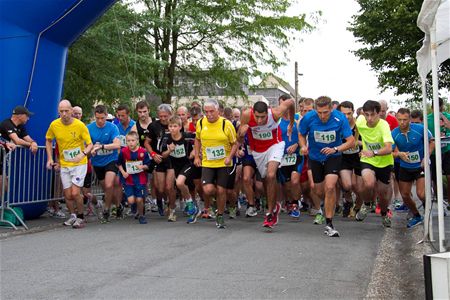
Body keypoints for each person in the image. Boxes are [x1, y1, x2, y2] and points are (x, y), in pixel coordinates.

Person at [299, 96, 354, 237]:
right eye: (319, 112)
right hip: (315, 157)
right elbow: (301, 134)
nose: (322, 116)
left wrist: (335, 149)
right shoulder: (309, 117)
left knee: (330, 187)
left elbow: (351, 141)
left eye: (325, 112)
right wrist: (303, 146)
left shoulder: (340, 118)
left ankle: (329, 224)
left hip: (333, 157)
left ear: (331, 109)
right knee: (318, 190)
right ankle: (328, 204)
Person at [238, 98, 295, 229]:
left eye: (262, 117)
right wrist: (242, 132)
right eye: (257, 117)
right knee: (265, 180)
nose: (259, 121)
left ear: (267, 112)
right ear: (253, 112)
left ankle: (271, 212)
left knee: (270, 175)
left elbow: (291, 102)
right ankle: (274, 203)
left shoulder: (275, 113)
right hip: (257, 151)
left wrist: (291, 123)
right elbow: (239, 138)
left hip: (275, 145)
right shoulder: (247, 115)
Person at [45, 100, 93, 229]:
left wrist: (82, 154)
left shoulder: (80, 125)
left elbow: (90, 145)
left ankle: (81, 217)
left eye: (67, 111)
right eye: (61, 111)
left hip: (79, 164)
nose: (64, 114)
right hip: (65, 164)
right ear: (58, 112)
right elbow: (48, 140)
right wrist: (50, 158)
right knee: (67, 194)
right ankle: (72, 215)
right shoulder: (54, 125)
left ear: (71, 111)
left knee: (75, 193)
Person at [194, 99, 238, 229]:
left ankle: (219, 215)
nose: (209, 114)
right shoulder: (201, 123)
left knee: (221, 190)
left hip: (223, 163)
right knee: (207, 189)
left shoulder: (226, 124)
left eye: (212, 111)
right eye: (206, 112)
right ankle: (214, 202)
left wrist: (229, 157)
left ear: (218, 111)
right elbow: (197, 140)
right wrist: (197, 156)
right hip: (208, 162)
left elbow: (234, 144)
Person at [392, 108, 434, 228]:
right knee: (404, 195)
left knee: (421, 194)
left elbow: (432, 142)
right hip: (405, 166)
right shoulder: (394, 133)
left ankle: (427, 210)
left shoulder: (420, 129)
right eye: (399, 119)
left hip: (420, 165)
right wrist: (399, 154)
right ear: (396, 118)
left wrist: (426, 157)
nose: (402, 122)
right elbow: (390, 152)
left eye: (405, 120)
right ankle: (416, 215)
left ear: (410, 119)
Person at [355, 100, 394, 227]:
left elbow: (389, 148)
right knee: (368, 183)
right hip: (368, 160)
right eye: (367, 114)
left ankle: (384, 213)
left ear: (379, 114)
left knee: (383, 194)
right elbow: (356, 129)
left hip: (384, 162)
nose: (369, 118)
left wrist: (374, 152)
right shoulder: (360, 120)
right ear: (363, 113)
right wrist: (356, 141)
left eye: (373, 115)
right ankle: (366, 204)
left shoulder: (384, 126)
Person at [88, 105, 121, 223]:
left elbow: (117, 145)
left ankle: (106, 210)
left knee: (108, 185)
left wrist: (102, 146)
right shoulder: (89, 128)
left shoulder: (112, 127)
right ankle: (118, 206)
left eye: (102, 118)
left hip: (111, 160)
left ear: (106, 116)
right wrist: (90, 150)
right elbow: (87, 145)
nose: (100, 121)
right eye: (97, 118)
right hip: (97, 163)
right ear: (94, 117)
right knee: (107, 189)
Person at [161, 116, 198, 223]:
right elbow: (163, 155)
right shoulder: (166, 138)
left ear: (180, 127)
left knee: (180, 183)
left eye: (175, 126)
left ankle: (190, 205)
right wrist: (169, 150)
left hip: (187, 164)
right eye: (170, 126)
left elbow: (199, 139)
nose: (172, 128)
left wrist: (194, 151)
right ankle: (192, 206)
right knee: (181, 185)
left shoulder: (187, 136)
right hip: (175, 165)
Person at [277, 95, 303, 219]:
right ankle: (290, 201)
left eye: (286, 105)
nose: (284, 108)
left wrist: (297, 144)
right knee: (287, 185)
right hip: (283, 157)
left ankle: (295, 204)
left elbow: (305, 136)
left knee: (294, 180)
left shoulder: (298, 119)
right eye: (282, 105)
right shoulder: (277, 121)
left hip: (297, 155)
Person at [145, 104, 174, 218]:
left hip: (172, 159)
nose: (163, 118)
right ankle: (159, 201)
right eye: (160, 116)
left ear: (170, 114)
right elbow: (146, 142)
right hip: (158, 158)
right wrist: (152, 154)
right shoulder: (153, 126)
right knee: (160, 188)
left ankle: (171, 208)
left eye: (165, 116)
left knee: (169, 186)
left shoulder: (175, 124)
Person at [337, 101, 364, 218]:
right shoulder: (338, 125)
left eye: (349, 113)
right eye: (343, 114)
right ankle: (348, 200)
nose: (347, 117)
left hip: (359, 157)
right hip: (345, 157)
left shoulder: (360, 126)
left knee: (358, 187)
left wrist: (357, 142)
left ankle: (358, 207)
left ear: (353, 112)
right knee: (347, 185)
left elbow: (368, 142)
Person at [117, 131, 151, 224]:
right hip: (128, 180)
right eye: (128, 141)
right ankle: (134, 207)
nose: (130, 142)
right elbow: (118, 163)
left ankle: (141, 215)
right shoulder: (123, 152)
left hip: (140, 180)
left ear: (137, 141)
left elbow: (148, 165)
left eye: (132, 140)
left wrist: (143, 167)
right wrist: (123, 172)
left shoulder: (143, 152)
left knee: (140, 199)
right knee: (131, 200)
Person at [427, 98, 450, 204]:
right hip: (434, 152)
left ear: (442, 107)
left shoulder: (447, 116)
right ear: (432, 108)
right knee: (435, 178)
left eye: (439, 108)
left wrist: (442, 117)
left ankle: (449, 201)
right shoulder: (427, 119)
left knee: (449, 176)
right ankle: (439, 201)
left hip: (447, 150)